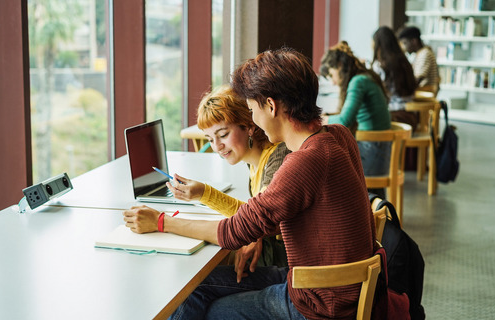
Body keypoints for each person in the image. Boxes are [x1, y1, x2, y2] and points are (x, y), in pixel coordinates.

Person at [123, 47, 376, 319]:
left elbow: (233, 232)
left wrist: (161, 222)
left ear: (271, 105)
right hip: (333, 286)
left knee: (207, 310)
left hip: (317, 302)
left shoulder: (303, 162)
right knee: (196, 288)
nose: (253, 119)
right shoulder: (338, 135)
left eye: (252, 109)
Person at [169, 84, 290, 267]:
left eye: (223, 135)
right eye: (210, 139)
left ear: (249, 126)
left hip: (285, 269)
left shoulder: (277, 159)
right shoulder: (254, 163)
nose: (217, 147)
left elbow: (255, 220)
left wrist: (204, 194)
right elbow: (254, 218)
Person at [320, 41, 391, 197]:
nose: (333, 81)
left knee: (324, 166)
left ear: (339, 65)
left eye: (332, 75)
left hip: (373, 152)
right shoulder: (364, 77)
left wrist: (319, 121)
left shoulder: (358, 82)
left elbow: (344, 120)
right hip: (379, 151)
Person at [372, 26, 419, 129]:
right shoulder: (405, 61)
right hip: (411, 116)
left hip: (394, 118)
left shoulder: (380, 66)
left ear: (378, 45)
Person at [398, 26, 440, 94]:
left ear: (414, 41)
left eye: (405, 43)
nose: (404, 47)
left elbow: (418, 79)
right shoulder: (420, 54)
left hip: (424, 93)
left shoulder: (425, 54)